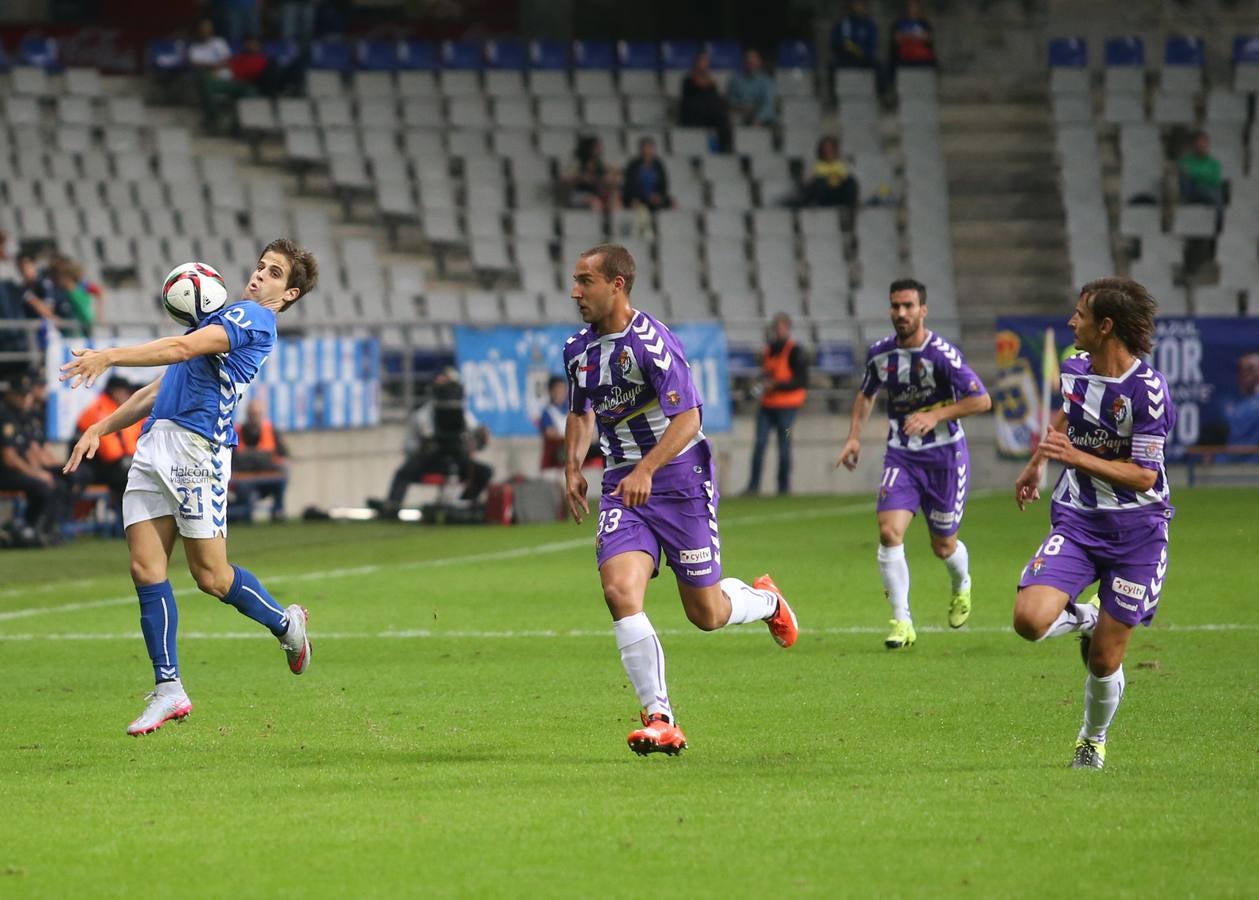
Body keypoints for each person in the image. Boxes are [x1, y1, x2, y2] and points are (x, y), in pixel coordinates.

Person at [59, 239, 319, 736]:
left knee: (211, 577)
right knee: (144, 566)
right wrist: (99, 428)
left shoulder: (254, 320)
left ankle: (286, 625)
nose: (259, 276)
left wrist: (108, 355)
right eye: (260, 267)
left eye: (274, 274)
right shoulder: (212, 324)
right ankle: (168, 688)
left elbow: (179, 348)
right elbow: (155, 390)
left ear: (288, 295)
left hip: (197, 452)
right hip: (155, 444)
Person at [562, 244, 799, 756]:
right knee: (619, 592)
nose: (575, 291)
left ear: (617, 285)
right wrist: (573, 466)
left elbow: (689, 417)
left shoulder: (651, 343)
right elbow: (581, 414)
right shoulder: (577, 350)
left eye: (586, 281)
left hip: (680, 481)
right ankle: (660, 717)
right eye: (575, 281)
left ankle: (767, 601)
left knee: (706, 614)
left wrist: (649, 467)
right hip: (623, 487)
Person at [1013, 278, 1174, 770]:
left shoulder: (1147, 393)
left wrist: (1076, 457)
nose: (1071, 322)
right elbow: (1068, 412)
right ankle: (1084, 615)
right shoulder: (1075, 368)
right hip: (1079, 521)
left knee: (1104, 661)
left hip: (1138, 534)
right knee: (1029, 621)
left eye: (1080, 315)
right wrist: (1040, 461)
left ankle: (1091, 738)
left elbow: (1145, 476)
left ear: (1106, 326)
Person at [837, 279, 991, 649]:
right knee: (889, 532)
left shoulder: (942, 354)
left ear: (923, 310)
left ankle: (961, 584)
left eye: (908, 306)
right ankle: (902, 621)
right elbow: (866, 394)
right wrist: (854, 435)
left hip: (944, 458)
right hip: (902, 456)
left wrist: (936, 414)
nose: (901, 313)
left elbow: (981, 400)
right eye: (895, 306)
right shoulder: (880, 353)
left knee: (943, 545)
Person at [384, 368, 493, 513]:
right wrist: (423, 446)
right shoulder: (421, 415)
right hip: (430, 461)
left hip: (457, 459)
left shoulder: (463, 414)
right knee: (403, 473)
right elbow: (409, 446)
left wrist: (480, 437)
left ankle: (463, 505)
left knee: (484, 472)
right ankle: (392, 508)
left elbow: (475, 437)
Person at [745, 313, 809, 496]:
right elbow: (766, 373)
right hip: (767, 406)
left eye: (782, 328)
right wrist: (760, 384)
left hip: (788, 408)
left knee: (785, 445)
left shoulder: (796, 351)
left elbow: (801, 381)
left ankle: (783, 488)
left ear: (788, 329)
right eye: (777, 328)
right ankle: (753, 486)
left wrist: (776, 385)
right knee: (759, 444)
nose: (779, 331)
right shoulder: (769, 350)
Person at [0, 377, 66, 545]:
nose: (24, 399)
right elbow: (10, 458)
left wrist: (42, 471)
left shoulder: (22, 417)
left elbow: (31, 450)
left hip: (18, 470)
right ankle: (33, 530)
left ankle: (44, 528)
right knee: (42, 486)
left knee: (59, 481)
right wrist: (37, 474)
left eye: (26, 395)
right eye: (21, 395)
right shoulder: (5, 417)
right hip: (6, 472)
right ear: (11, 395)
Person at [75, 375, 142, 521]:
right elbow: (110, 452)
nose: (127, 395)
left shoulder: (117, 407)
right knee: (131, 475)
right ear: (115, 391)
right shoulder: (99, 409)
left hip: (116, 464)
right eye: (125, 392)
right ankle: (128, 522)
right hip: (95, 466)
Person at [232, 396, 289, 522]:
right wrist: (260, 455)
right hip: (245, 479)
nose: (254, 417)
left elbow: (283, 454)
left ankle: (278, 511)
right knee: (244, 509)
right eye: (252, 414)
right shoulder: (238, 431)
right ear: (247, 415)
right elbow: (235, 457)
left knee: (284, 473)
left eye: (257, 414)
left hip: (268, 478)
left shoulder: (270, 430)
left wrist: (250, 456)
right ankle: (242, 513)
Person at [679, 49, 733, 153]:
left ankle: (725, 147)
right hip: (693, 117)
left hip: (710, 116)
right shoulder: (688, 80)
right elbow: (699, 84)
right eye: (701, 62)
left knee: (723, 118)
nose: (703, 65)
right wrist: (708, 81)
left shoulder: (711, 83)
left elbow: (715, 97)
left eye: (705, 62)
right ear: (696, 63)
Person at [1178, 131, 1224, 230]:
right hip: (1193, 191)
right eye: (1199, 142)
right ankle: (1185, 206)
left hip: (1209, 191)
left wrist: (1195, 174)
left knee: (1216, 193)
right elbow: (1183, 171)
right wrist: (1204, 176)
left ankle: (1219, 225)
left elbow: (1215, 179)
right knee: (1185, 177)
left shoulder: (1214, 163)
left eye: (1204, 142)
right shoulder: (1187, 160)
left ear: (1207, 144)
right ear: (1195, 144)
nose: (1201, 145)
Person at [799, 136, 858, 209]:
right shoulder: (815, 164)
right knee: (820, 181)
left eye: (830, 148)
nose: (828, 150)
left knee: (851, 181)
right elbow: (806, 182)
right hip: (823, 194)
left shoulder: (843, 163)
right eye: (825, 148)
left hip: (839, 192)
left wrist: (838, 176)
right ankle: (817, 206)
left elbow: (848, 178)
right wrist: (820, 177)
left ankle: (851, 206)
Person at [563, 135, 620, 212]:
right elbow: (565, 179)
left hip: (597, 193)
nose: (599, 150)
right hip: (579, 194)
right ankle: (595, 223)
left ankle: (611, 222)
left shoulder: (601, 163)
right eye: (596, 147)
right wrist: (580, 178)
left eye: (599, 147)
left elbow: (610, 178)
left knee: (615, 200)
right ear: (589, 148)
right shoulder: (578, 162)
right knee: (595, 202)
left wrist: (609, 178)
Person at [725, 48, 777, 127]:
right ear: (744, 62)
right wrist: (741, 107)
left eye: (753, 59)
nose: (751, 62)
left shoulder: (767, 81)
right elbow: (730, 101)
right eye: (748, 59)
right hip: (739, 115)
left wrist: (758, 119)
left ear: (759, 62)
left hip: (761, 119)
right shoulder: (735, 80)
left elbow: (768, 105)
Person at [620, 137, 673, 212]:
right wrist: (646, 197)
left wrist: (658, 196)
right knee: (636, 204)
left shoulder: (658, 165)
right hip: (638, 198)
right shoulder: (633, 165)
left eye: (650, 148)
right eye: (646, 148)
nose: (648, 151)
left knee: (671, 203)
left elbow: (663, 184)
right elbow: (630, 187)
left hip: (655, 197)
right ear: (641, 150)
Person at [832, 0, 881, 72]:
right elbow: (835, 43)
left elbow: (872, 46)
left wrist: (856, 49)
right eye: (855, 4)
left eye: (860, 4)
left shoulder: (869, 24)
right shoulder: (843, 23)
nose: (858, 6)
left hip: (864, 59)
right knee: (832, 65)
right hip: (845, 59)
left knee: (878, 65)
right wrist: (846, 47)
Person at [1224, 352, 1259, 447]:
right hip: (1228, 459)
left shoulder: (1251, 407)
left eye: (1247, 370)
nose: (1242, 376)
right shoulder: (1238, 402)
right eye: (1240, 371)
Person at [890, 0, 937, 69]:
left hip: (920, 55)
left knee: (932, 62)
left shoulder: (924, 23)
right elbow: (896, 39)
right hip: (905, 54)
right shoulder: (899, 23)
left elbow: (929, 38)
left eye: (915, 6)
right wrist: (914, 35)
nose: (913, 9)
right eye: (910, 6)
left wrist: (908, 35)